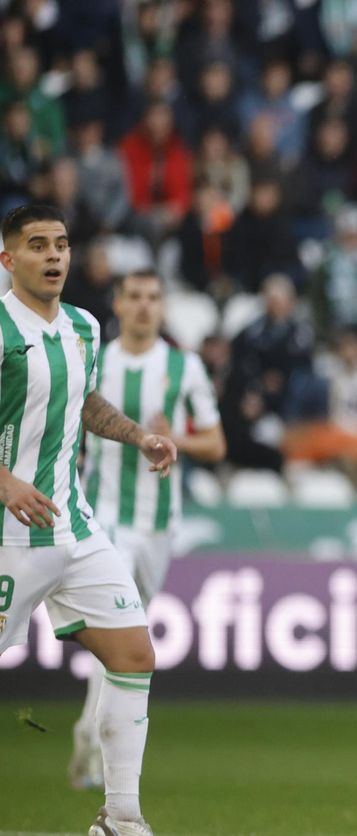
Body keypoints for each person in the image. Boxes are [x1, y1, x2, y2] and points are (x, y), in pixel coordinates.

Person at [0, 204, 179, 836]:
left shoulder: (82, 326)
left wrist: (139, 437)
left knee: (133, 652)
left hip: (73, 528)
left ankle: (121, 819)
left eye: (61, 245)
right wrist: (4, 480)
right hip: (7, 536)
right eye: (37, 245)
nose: (53, 256)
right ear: (8, 259)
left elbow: (85, 399)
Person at [69, 269, 226, 791]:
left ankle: (91, 739)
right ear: (117, 303)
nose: (143, 306)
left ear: (162, 307)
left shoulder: (184, 368)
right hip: (104, 514)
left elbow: (216, 445)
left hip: (159, 520)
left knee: (125, 636)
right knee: (122, 632)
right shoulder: (98, 359)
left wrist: (170, 434)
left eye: (153, 298)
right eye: (133, 297)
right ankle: (92, 744)